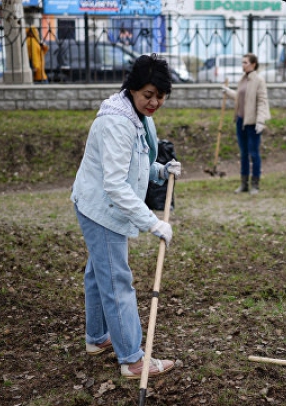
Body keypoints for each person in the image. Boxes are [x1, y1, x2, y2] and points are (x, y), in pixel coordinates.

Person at [71, 54, 181, 379]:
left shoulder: (139, 116)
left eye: (160, 96)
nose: (155, 102)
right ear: (133, 88)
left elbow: (137, 164)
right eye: (149, 94)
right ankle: (133, 360)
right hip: (101, 208)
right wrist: (153, 222)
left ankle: (97, 338)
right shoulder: (116, 123)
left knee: (98, 272)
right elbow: (116, 184)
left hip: (98, 201)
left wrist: (161, 170)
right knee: (117, 279)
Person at [221, 53, 271, 194]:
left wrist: (261, 121)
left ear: (253, 64)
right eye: (242, 62)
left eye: (245, 62)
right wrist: (228, 92)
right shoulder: (243, 79)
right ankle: (244, 184)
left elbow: (262, 101)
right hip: (240, 121)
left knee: (253, 154)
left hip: (253, 123)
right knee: (243, 154)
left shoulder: (259, 81)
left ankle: (255, 184)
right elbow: (240, 97)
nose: (243, 65)